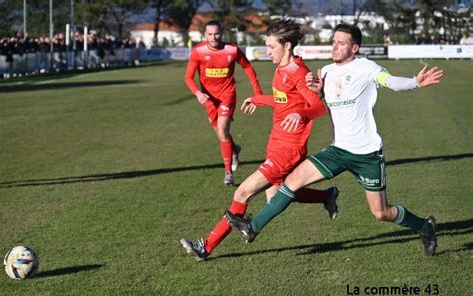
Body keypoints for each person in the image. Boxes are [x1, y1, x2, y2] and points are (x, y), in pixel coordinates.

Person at [226, 23, 443, 257]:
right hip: (338, 150)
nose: (335, 46)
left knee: (381, 213)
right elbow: (318, 100)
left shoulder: (366, 67)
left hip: (366, 153)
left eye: (341, 43)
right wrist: (318, 91)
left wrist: (415, 82)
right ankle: (252, 227)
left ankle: (424, 226)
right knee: (291, 181)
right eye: (333, 41)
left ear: (354, 48)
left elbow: (390, 82)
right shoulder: (327, 71)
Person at [181, 18, 339, 262]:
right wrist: (260, 99)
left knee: (242, 192)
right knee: (279, 196)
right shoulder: (281, 69)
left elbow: (318, 107)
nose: (267, 52)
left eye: (271, 47)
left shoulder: (299, 73)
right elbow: (283, 100)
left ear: (287, 46)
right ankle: (326, 196)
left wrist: (301, 113)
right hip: (276, 142)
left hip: (289, 149)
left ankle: (206, 246)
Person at [184, 20, 263, 185]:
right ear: (205, 35)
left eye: (217, 33)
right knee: (221, 134)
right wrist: (198, 93)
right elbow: (188, 77)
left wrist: (257, 93)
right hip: (208, 99)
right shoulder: (198, 51)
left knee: (222, 130)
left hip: (227, 95)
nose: (214, 37)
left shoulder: (231, 50)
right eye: (210, 34)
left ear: (222, 33)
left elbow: (248, 68)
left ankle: (228, 173)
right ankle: (234, 149)